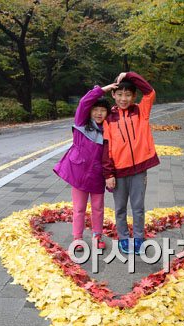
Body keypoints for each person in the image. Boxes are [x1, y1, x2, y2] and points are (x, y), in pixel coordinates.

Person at [53, 82, 118, 250]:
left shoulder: (109, 130)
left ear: (107, 112)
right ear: (90, 111)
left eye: (102, 110)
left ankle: (97, 236)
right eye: (95, 109)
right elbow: (83, 102)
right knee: (79, 208)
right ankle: (77, 238)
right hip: (79, 174)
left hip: (97, 175)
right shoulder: (82, 123)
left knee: (98, 208)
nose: (98, 113)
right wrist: (102, 90)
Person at [102, 72, 160, 255]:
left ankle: (139, 238)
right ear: (113, 95)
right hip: (118, 172)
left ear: (134, 96)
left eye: (127, 95)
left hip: (139, 170)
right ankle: (123, 238)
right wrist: (108, 174)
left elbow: (150, 92)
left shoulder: (140, 111)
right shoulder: (108, 118)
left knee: (138, 207)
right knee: (119, 208)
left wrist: (128, 75)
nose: (123, 99)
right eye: (119, 94)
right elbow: (106, 148)